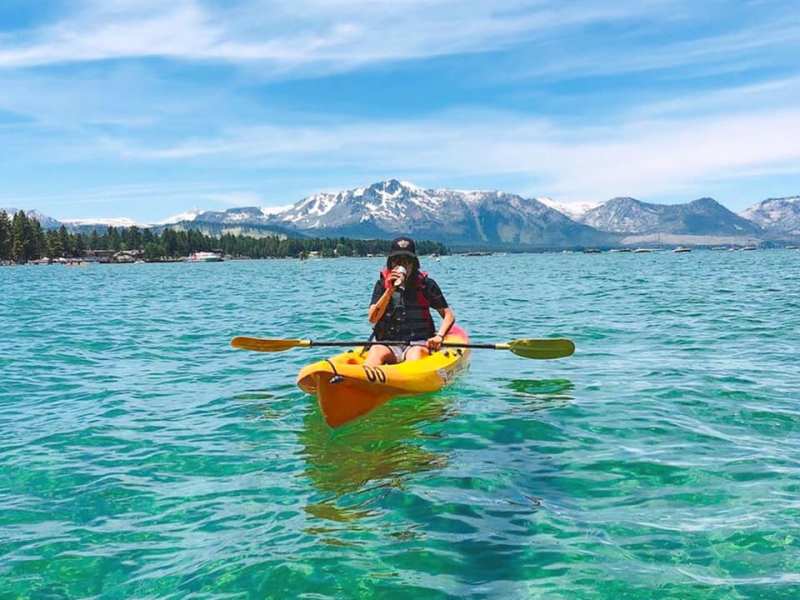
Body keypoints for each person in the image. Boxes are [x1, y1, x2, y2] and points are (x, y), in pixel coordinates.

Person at [365, 236, 455, 366]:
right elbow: (372, 318)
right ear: (390, 263)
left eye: (407, 260)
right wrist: (390, 290)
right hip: (388, 343)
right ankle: (365, 375)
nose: (402, 264)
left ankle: (409, 375)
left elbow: (448, 315)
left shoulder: (426, 284)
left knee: (415, 354)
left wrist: (439, 336)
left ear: (414, 263)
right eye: (397, 260)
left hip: (418, 343)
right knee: (376, 351)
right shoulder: (382, 285)